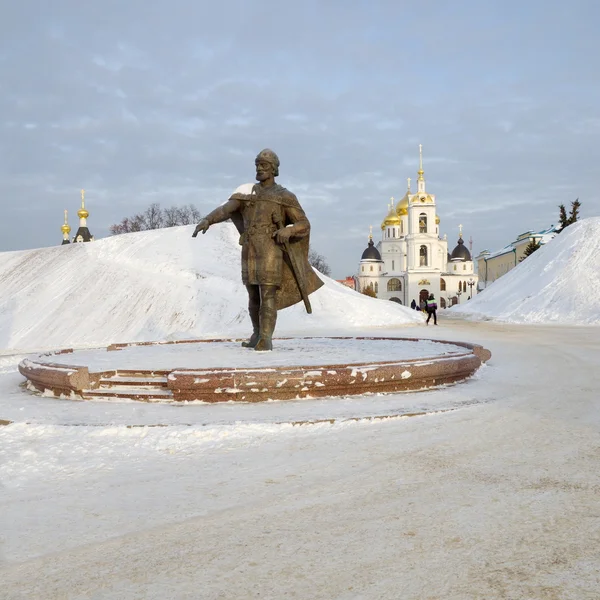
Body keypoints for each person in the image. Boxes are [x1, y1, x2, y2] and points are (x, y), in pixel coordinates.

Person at [193, 149, 323, 351]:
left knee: (268, 293)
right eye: (257, 165)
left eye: (263, 165)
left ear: (273, 169)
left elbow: (304, 224)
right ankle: (256, 333)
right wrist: (207, 220)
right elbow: (225, 210)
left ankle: (266, 337)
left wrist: (288, 231)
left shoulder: (285, 196)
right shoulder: (247, 194)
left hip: (272, 249)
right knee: (252, 294)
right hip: (250, 248)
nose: (259, 168)